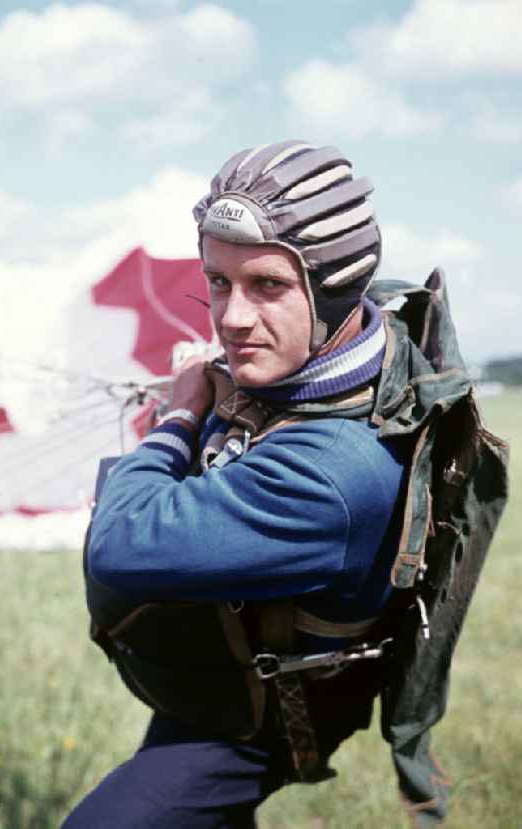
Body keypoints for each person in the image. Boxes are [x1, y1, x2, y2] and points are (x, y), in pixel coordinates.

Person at [64, 140, 410, 828]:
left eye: (269, 286)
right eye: (218, 282)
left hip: (254, 717)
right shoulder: (327, 363)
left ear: (337, 288)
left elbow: (121, 541)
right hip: (224, 665)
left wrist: (179, 414)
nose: (231, 318)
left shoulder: (334, 471)